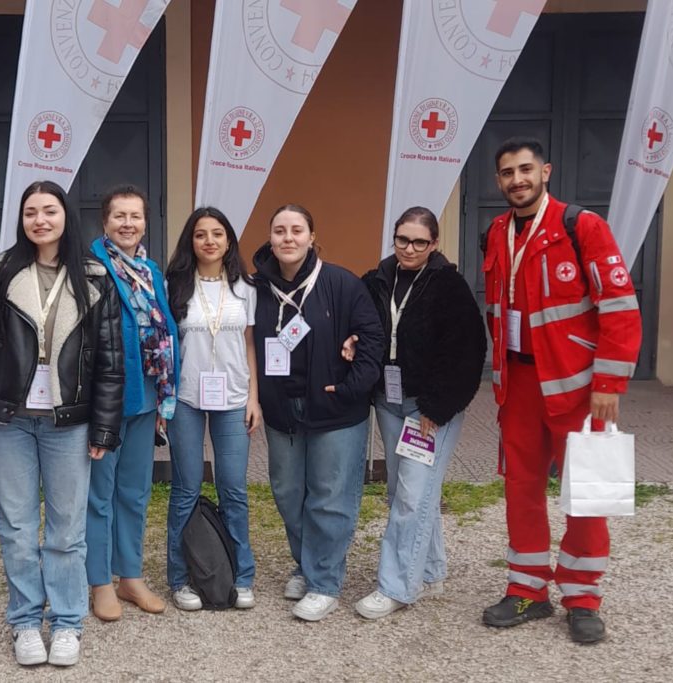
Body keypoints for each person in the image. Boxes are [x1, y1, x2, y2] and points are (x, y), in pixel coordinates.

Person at [0, 180, 124, 667]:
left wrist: (104, 427)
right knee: (16, 527)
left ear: (66, 216)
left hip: (68, 424)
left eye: (50, 210)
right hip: (9, 420)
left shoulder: (95, 277)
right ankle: (27, 620)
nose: (40, 220)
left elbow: (111, 361)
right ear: (21, 219)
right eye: (31, 212)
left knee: (67, 530)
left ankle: (68, 622)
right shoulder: (0, 273)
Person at [481, 137, 641, 643]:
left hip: (581, 387)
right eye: (508, 173)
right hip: (518, 384)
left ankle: (583, 596)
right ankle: (527, 588)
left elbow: (620, 307)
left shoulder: (582, 226)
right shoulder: (497, 232)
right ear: (499, 181)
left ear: (545, 171)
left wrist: (609, 382)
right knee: (521, 489)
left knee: (589, 493)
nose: (517, 180)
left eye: (525, 169)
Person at [250, 204, 383, 622]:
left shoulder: (342, 284)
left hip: (335, 410)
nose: (288, 238)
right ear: (270, 238)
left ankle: (324, 582)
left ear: (312, 237)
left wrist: (349, 390)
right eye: (280, 231)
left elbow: (372, 340)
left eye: (297, 230)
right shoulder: (255, 288)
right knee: (289, 493)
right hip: (281, 410)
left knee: (329, 496)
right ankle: (306, 564)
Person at [355, 207, 486, 620]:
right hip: (389, 400)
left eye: (419, 242)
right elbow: (363, 327)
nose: (409, 249)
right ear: (393, 238)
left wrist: (437, 406)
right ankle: (430, 570)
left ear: (434, 243)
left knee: (413, 496)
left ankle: (396, 586)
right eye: (402, 240)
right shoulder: (377, 280)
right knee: (405, 493)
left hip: (428, 409)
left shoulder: (449, 286)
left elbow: (467, 350)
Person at [87, 185, 179, 620]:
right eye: (119, 216)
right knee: (99, 493)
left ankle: (130, 575)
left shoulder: (150, 270)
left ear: (145, 222)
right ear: (105, 221)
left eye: (135, 216)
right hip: (106, 398)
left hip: (146, 395)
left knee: (135, 491)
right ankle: (99, 581)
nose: (128, 224)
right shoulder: (90, 269)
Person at [164, 207, 261, 611]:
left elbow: (250, 344)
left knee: (233, 488)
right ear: (191, 241)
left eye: (217, 233)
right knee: (186, 488)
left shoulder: (245, 287)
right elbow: (165, 345)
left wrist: (254, 397)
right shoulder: (173, 286)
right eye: (201, 234)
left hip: (234, 398)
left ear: (228, 240)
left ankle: (242, 576)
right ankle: (179, 578)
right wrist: (164, 399)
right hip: (186, 398)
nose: (209, 241)